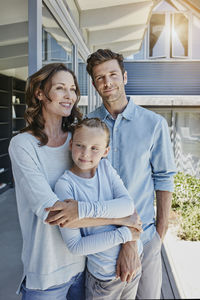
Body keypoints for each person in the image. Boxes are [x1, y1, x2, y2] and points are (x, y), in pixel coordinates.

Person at [45, 49, 177, 299]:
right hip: (98, 239)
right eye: (100, 78)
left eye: (113, 74)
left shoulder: (153, 124)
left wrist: (159, 232)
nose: (107, 82)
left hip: (145, 235)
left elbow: (164, 178)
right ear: (94, 84)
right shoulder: (86, 125)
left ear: (124, 77)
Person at [9, 63, 141, 300]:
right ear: (40, 93)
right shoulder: (23, 145)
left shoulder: (79, 141)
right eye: (60, 88)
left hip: (85, 269)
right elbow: (54, 214)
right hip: (47, 275)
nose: (69, 95)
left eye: (72, 89)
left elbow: (116, 196)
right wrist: (123, 221)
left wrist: (127, 231)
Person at [54, 118, 143, 300]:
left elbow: (127, 206)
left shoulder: (105, 168)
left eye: (95, 148)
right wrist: (126, 233)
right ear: (71, 144)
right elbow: (76, 246)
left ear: (105, 151)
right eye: (80, 145)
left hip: (134, 265)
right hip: (103, 277)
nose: (86, 153)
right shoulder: (65, 186)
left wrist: (81, 210)